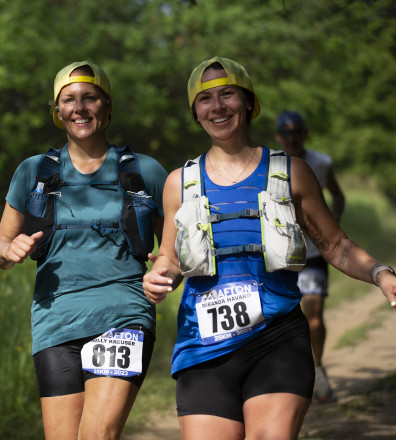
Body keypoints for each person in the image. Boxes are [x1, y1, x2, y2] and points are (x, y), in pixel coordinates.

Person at [143, 56, 396, 440]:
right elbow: (171, 259)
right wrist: (158, 278)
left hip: (277, 340)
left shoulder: (291, 172)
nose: (218, 106)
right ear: (195, 112)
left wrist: (380, 273)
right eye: (205, 99)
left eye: (227, 94)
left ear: (248, 102)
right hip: (202, 349)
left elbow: (336, 245)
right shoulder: (179, 182)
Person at [0, 61, 167, 440]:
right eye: (68, 100)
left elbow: (173, 250)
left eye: (90, 98)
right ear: (57, 112)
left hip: (123, 312)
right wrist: (10, 249)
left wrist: (165, 272)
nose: (79, 108)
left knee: (97, 435)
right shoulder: (33, 171)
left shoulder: (145, 172)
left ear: (106, 106)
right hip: (54, 321)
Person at [275, 110, 345, 403]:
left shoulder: (321, 162)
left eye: (297, 131)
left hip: (314, 252)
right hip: (281, 254)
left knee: (313, 317)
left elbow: (337, 195)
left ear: (304, 133)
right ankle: (286, 377)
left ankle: (317, 370)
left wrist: (331, 225)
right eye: (287, 133)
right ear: (279, 136)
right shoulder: (269, 163)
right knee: (282, 318)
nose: (292, 137)